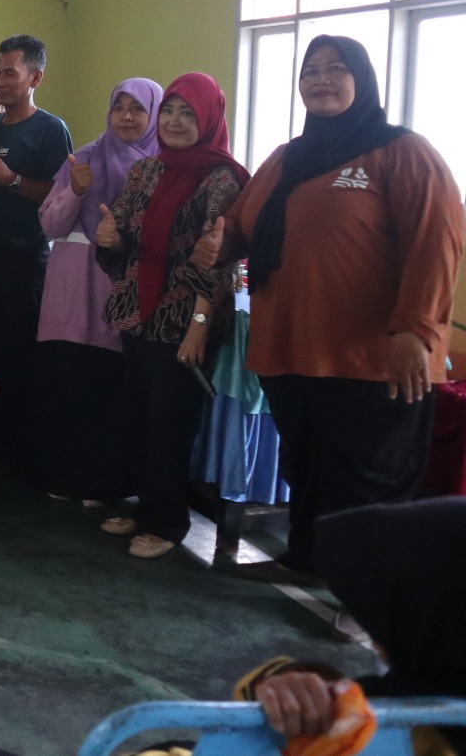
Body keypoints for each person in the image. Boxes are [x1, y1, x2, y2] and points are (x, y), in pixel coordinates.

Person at [194, 35, 464, 583]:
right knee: (309, 469)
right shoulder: (286, 159)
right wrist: (216, 247)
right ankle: (311, 561)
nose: (321, 79)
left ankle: (368, 598)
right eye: (311, 70)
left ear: (361, 79)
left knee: (371, 481)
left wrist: (416, 330)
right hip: (292, 349)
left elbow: (437, 242)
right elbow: (242, 229)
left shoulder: (402, 151)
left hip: (373, 357)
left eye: (335, 69)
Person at [94, 73, 248, 560]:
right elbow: (125, 234)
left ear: (209, 119)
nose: (175, 122)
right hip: (141, 312)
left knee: (169, 421)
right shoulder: (149, 170)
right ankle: (146, 505)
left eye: (188, 113)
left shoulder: (223, 179)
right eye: (170, 112)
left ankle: (168, 521)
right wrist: (111, 239)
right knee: (139, 414)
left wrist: (199, 326)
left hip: (185, 319)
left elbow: (222, 259)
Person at [240, 499, 466, 753]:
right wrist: (287, 684)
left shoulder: (369, 726)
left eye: (384, 620)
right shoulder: (410, 698)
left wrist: (270, 692)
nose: (373, 636)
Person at [33, 78, 162, 502]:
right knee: (69, 388)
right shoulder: (85, 157)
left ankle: (103, 484)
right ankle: (64, 479)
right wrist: (78, 189)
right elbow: (50, 224)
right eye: (118, 107)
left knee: (112, 394)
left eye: (137, 109)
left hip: (121, 290)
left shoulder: (163, 167)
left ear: (153, 115)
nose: (126, 116)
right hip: (71, 290)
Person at [0, 35, 73, 459]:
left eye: (9, 73)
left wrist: (12, 181)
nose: (1, 81)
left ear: (36, 77)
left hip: (25, 257)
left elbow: (63, 195)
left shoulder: (51, 130)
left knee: (18, 353)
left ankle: (20, 450)